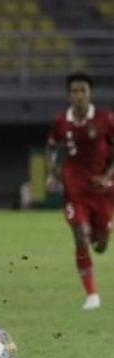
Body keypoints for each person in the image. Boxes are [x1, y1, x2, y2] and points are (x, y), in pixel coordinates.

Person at [46, 72, 114, 310]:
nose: (78, 95)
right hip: (74, 188)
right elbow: (52, 147)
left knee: (101, 244)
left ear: (90, 93)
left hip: (103, 190)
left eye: (82, 91)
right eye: (74, 91)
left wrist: (107, 176)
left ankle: (104, 231)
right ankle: (92, 295)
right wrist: (52, 175)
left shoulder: (105, 119)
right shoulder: (61, 122)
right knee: (80, 236)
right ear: (69, 94)